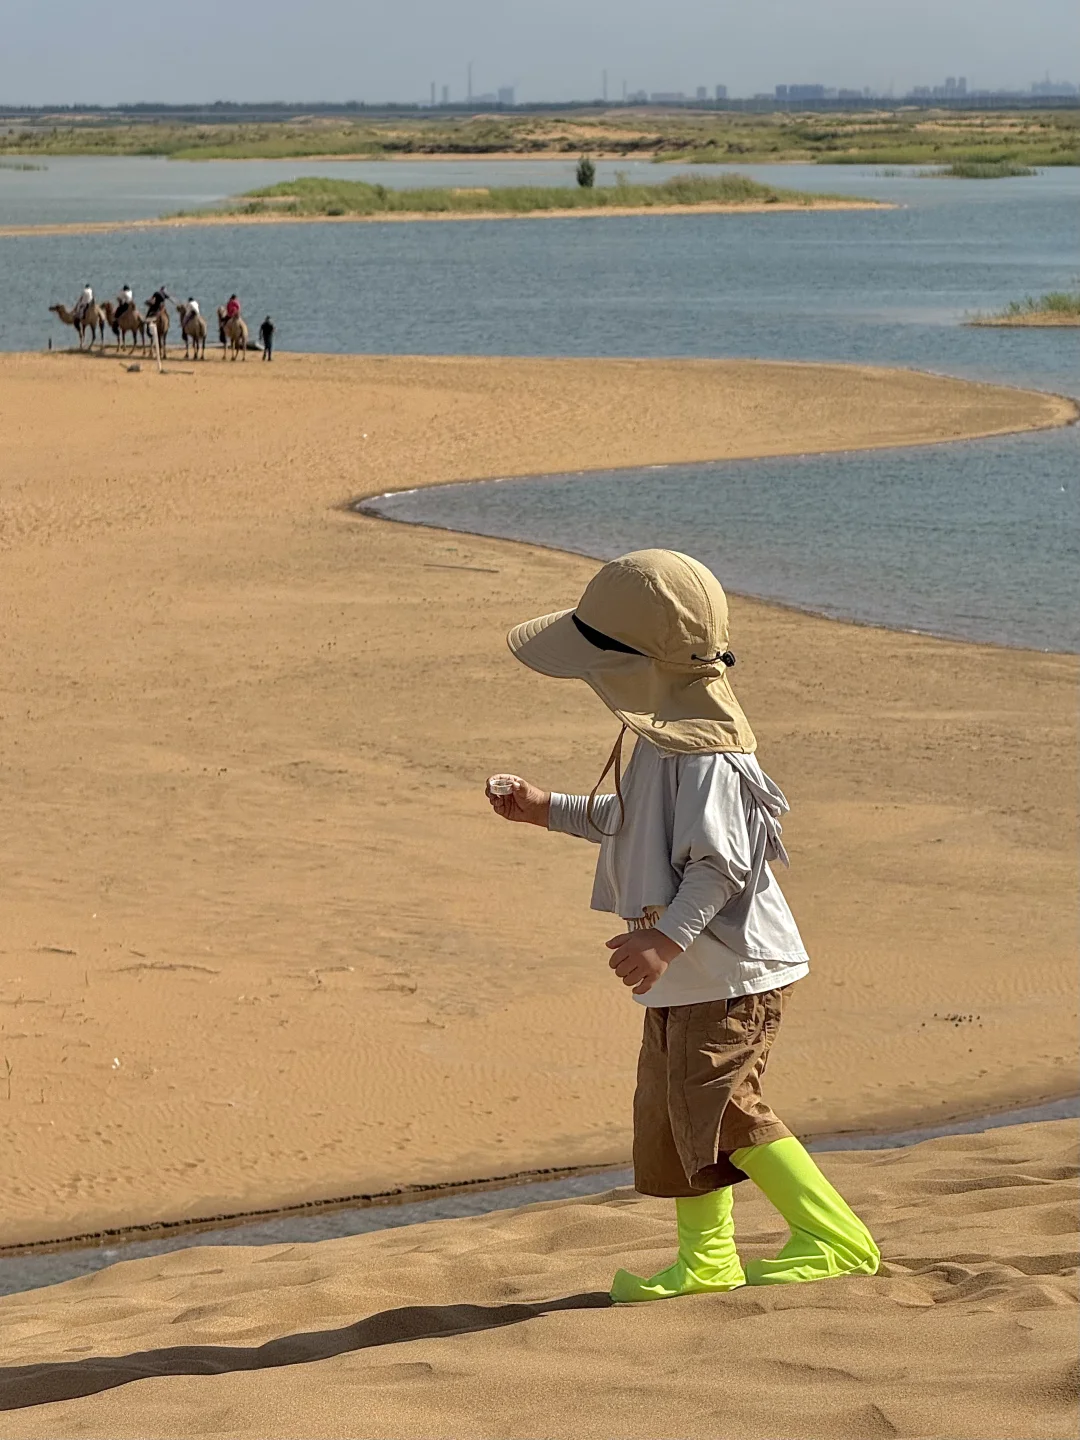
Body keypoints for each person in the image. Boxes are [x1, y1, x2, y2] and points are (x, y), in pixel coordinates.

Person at [487, 549, 880, 1303]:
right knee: (677, 1113)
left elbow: (717, 866)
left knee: (725, 1103)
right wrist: (545, 809)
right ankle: (707, 1262)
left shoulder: (707, 757)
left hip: (732, 971)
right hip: (691, 975)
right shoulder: (666, 744)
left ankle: (834, 1238)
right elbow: (630, 826)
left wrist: (661, 941)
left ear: (640, 667)